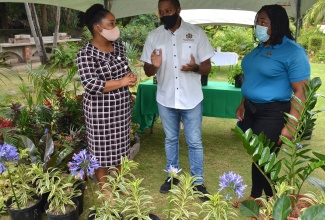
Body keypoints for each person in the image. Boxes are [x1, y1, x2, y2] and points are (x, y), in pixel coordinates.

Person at [233, 4, 310, 207]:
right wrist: (242, 104)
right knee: (259, 157)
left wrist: (292, 125)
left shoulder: (292, 51)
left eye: (264, 21)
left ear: (277, 24)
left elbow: (301, 91)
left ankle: (268, 200)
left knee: (262, 158)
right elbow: (251, 78)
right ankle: (265, 199)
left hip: (273, 113)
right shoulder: (260, 48)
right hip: (251, 110)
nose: (259, 25)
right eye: (258, 20)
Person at [140, 0, 215, 202]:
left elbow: (208, 66)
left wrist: (195, 68)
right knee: (171, 139)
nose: (165, 15)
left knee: (195, 142)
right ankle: (172, 177)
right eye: (161, 12)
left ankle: (198, 182)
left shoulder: (196, 33)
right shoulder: (154, 36)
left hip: (191, 98)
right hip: (166, 97)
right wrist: (153, 66)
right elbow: (147, 70)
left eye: (169, 11)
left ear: (178, 10)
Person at [76, 4, 137, 194]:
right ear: (97, 27)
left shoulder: (118, 47)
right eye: (111, 24)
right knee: (101, 149)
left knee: (120, 146)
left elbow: (125, 71)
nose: (115, 27)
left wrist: (130, 78)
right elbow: (91, 85)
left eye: (115, 23)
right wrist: (121, 82)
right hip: (99, 112)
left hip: (120, 108)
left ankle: (118, 182)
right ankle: (105, 189)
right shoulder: (85, 54)